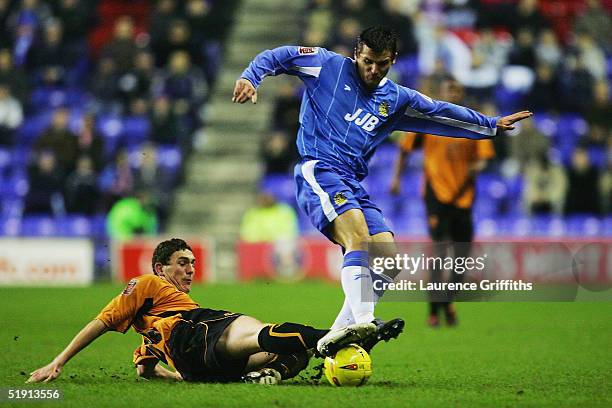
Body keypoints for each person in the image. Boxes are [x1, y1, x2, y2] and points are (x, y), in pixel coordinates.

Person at [233, 26, 531, 336]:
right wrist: (251, 78)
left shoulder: (395, 98)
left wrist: (490, 125)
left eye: (382, 64)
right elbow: (279, 56)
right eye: (368, 62)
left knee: (389, 260)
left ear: (393, 60)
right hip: (319, 169)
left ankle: (334, 335)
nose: (374, 70)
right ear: (356, 55)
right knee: (358, 238)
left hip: (352, 182)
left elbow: (439, 112)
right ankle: (364, 321)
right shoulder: (326, 66)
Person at [27, 238, 377, 384]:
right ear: (160, 268)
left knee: (287, 348)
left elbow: (145, 373)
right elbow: (100, 322)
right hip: (194, 331)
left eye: (193, 264)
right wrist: (59, 361)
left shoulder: (150, 334)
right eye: (182, 264)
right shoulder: (147, 284)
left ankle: (269, 375)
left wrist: (178, 376)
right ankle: (329, 337)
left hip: (202, 368)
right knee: (256, 330)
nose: (190, 270)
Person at [390, 77, 495, 327]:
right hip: (436, 195)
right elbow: (405, 150)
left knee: (461, 255)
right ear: (441, 93)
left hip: (463, 197)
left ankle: (448, 300)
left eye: (458, 90)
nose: (454, 94)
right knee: (439, 252)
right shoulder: (428, 121)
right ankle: (434, 310)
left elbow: (484, 157)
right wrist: (396, 179)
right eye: (449, 89)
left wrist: (475, 167)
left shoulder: (473, 122)